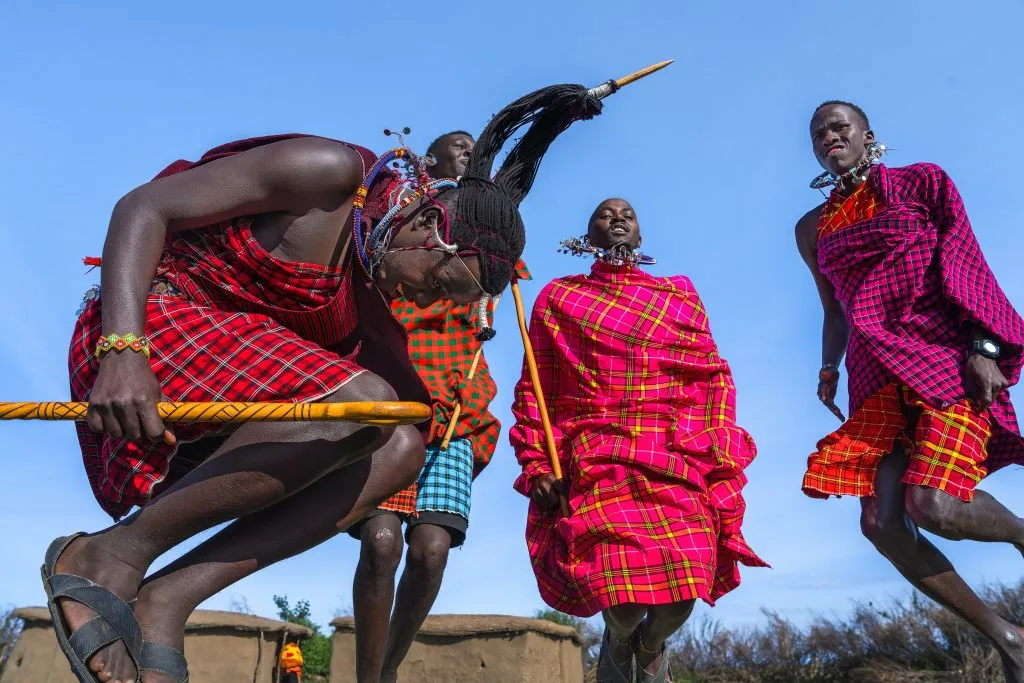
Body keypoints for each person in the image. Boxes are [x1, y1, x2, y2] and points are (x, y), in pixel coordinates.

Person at [43, 80, 610, 683]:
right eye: (436, 285)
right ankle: (111, 555)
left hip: (219, 389)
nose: (422, 300)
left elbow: (412, 415)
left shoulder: (371, 293)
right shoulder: (331, 174)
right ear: (427, 224)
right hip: (148, 334)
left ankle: (171, 597)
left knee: (401, 440)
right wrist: (123, 350)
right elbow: (142, 207)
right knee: (368, 405)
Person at [795, 101, 1024, 682]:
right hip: (873, 376)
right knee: (882, 525)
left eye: (839, 126)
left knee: (934, 504)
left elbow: (966, 261)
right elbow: (834, 308)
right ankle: (1010, 638)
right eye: (818, 133)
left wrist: (986, 346)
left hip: (941, 357)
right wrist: (828, 368)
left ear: (868, 134)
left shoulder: (922, 182)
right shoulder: (811, 229)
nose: (829, 136)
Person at [510, 198, 766, 683]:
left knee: (687, 582)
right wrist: (537, 464)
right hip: (598, 456)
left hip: (674, 455)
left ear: (641, 236)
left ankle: (650, 650)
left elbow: (711, 377)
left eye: (627, 213)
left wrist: (712, 446)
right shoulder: (558, 298)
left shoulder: (678, 296)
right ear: (588, 236)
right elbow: (536, 388)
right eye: (605, 214)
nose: (618, 218)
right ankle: (620, 641)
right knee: (622, 600)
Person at [345, 131, 528, 683]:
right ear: (434, 161)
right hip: (391, 403)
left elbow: (497, 272)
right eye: (458, 148)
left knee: (430, 551)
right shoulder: (400, 224)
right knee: (380, 543)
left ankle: (388, 670)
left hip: (455, 412)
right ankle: (368, 677)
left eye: (475, 149)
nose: (470, 153)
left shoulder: (486, 244)